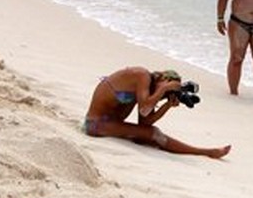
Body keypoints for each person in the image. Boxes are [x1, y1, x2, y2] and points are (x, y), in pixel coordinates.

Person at [83, 66, 230, 158]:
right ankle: (204, 152)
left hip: (108, 124)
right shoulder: (142, 76)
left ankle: (203, 151)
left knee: (147, 135)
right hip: (96, 124)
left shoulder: (149, 91)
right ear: (163, 78)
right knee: (154, 134)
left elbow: (145, 121)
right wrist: (164, 89)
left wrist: (167, 105)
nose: (164, 95)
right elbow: (145, 109)